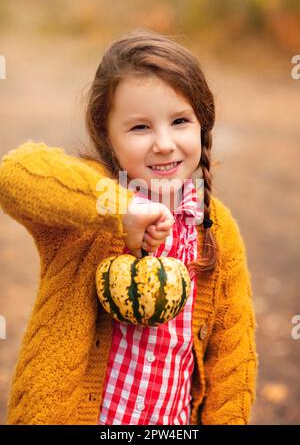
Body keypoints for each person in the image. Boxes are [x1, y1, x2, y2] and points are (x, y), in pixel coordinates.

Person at [0, 28, 258, 425]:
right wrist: (119, 208)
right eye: (140, 127)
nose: (164, 143)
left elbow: (231, 360)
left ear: (202, 125)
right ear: (107, 133)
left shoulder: (217, 231)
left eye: (179, 121)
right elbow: (14, 174)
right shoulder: (86, 209)